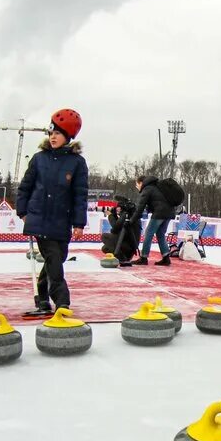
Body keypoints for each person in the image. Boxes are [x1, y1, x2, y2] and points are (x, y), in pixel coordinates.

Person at [16, 109, 88, 314]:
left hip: (62, 220)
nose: (52, 137)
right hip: (39, 218)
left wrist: (78, 223)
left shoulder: (77, 163)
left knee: (56, 259)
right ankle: (62, 302)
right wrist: (23, 212)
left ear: (68, 136)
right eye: (51, 133)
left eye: (57, 133)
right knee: (54, 259)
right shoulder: (39, 159)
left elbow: (79, 195)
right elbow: (25, 187)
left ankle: (42, 299)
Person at [132, 175, 173, 266]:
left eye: (137, 184)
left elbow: (140, 207)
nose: (137, 187)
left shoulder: (147, 189)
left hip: (160, 213)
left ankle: (143, 258)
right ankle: (166, 258)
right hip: (169, 213)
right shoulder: (157, 187)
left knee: (148, 233)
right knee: (160, 234)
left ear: (141, 183)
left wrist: (132, 220)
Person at [103, 195, 140, 264]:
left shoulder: (125, 214)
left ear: (122, 207)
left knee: (104, 236)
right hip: (128, 247)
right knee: (105, 248)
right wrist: (114, 216)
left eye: (117, 207)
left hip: (128, 246)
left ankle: (122, 258)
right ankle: (121, 256)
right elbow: (118, 228)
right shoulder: (130, 214)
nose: (116, 209)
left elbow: (115, 228)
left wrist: (110, 215)